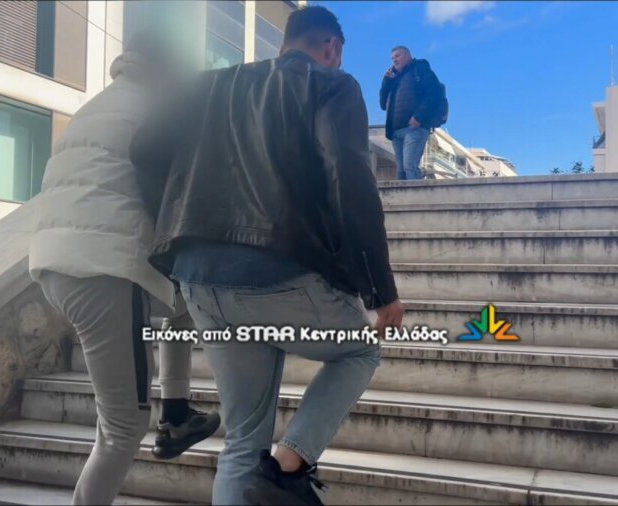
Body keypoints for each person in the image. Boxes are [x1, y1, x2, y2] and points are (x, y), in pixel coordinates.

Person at [131, 6, 404, 505]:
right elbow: (350, 178)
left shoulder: (208, 85)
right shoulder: (332, 85)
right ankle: (286, 467)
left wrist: (173, 224)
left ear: (282, 46)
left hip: (199, 278)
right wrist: (380, 291)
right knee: (361, 350)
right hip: (279, 272)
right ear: (332, 49)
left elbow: (144, 149)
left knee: (241, 440)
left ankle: (272, 471)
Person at [28, 31, 219, 505]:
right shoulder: (159, 106)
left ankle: (176, 412)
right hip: (106, 270)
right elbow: (172, 184)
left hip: (57, 262)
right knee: (123, 427)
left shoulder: (99, 105)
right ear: (165, 65)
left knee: (183, 304)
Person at [379, 45, 444, 180]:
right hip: (396, 131)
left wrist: (419, 117)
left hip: (414, 128)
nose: (394, 60)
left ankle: (417, 194)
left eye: (398, 56)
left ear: (408, 55)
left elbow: (434, 94)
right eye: (392, 58)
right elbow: (383, 104)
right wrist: (386, 81)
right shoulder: (395, 79)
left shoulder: (420, 69)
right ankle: (404, 195)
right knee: (401, 171)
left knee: (410, 166)